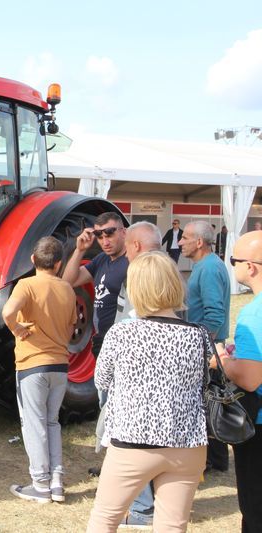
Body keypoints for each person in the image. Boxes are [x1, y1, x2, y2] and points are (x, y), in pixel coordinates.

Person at [86, 251, 209, 532]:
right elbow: (201, 384)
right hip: (186, 443)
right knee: (172, 526)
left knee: (104, 520)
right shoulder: (198, 334)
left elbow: (101, 380)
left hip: (132, 441)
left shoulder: (121, 333)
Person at [3, 237, 77, 504]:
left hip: (32, 364)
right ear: (59, 264)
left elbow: (8, 311)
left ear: (33, 260)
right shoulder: (68, 289)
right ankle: (56, 482)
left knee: (34, 424)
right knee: (52, 422)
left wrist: (18, 329)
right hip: (60, 365)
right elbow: (71, 329)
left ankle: (40, 484)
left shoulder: (27, 285)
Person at [107, 221, 163, 528]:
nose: (124, 250)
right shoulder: (164, 270)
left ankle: (142, 508)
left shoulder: (142, 273)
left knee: (137, 440)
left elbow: (132, 320)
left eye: (127, 244)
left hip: (139, 378)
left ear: (137, 246)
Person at [213, 230, 262, 532]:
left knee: (255, 509)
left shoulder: (253, 313)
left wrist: (222, 360)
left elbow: (250, 377)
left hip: (258, 425)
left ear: (252, 266)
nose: (232, 266)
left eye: (233, 260)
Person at [178, 220, 231, 472]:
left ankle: (214, 460)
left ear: (199, 242)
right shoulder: (207, 265)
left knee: (208, 404)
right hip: (209, 346)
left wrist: (199, 346)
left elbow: (214, 315)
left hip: (207, 348)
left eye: (184, 237)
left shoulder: (208, 269)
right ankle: (216, 460)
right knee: (210, 403)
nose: (179, 242)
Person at [62, 212, 129, 359]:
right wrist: (80, 251)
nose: (105, 242)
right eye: (100, 236)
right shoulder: (101, 259)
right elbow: (68, 282)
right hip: (102, 339)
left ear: (123, 232)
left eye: (110, 234)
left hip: (122, 342)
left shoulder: (132, 262)